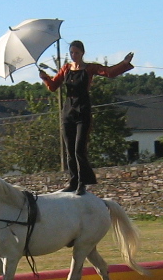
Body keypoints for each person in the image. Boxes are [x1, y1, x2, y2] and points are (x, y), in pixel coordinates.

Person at [38, 39, 135, 194]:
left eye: (76, 52)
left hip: (83, 111)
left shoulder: (89, 68)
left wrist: (124, 63)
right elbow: (53, 86)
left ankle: (83, 182)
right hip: (67, 112)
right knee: (70, 151)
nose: (74, 55)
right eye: (71, 53)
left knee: (79, 150)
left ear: (82, 53)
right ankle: (73, 181)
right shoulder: (66, 68)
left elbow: (109, 72)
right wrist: (45, 78)